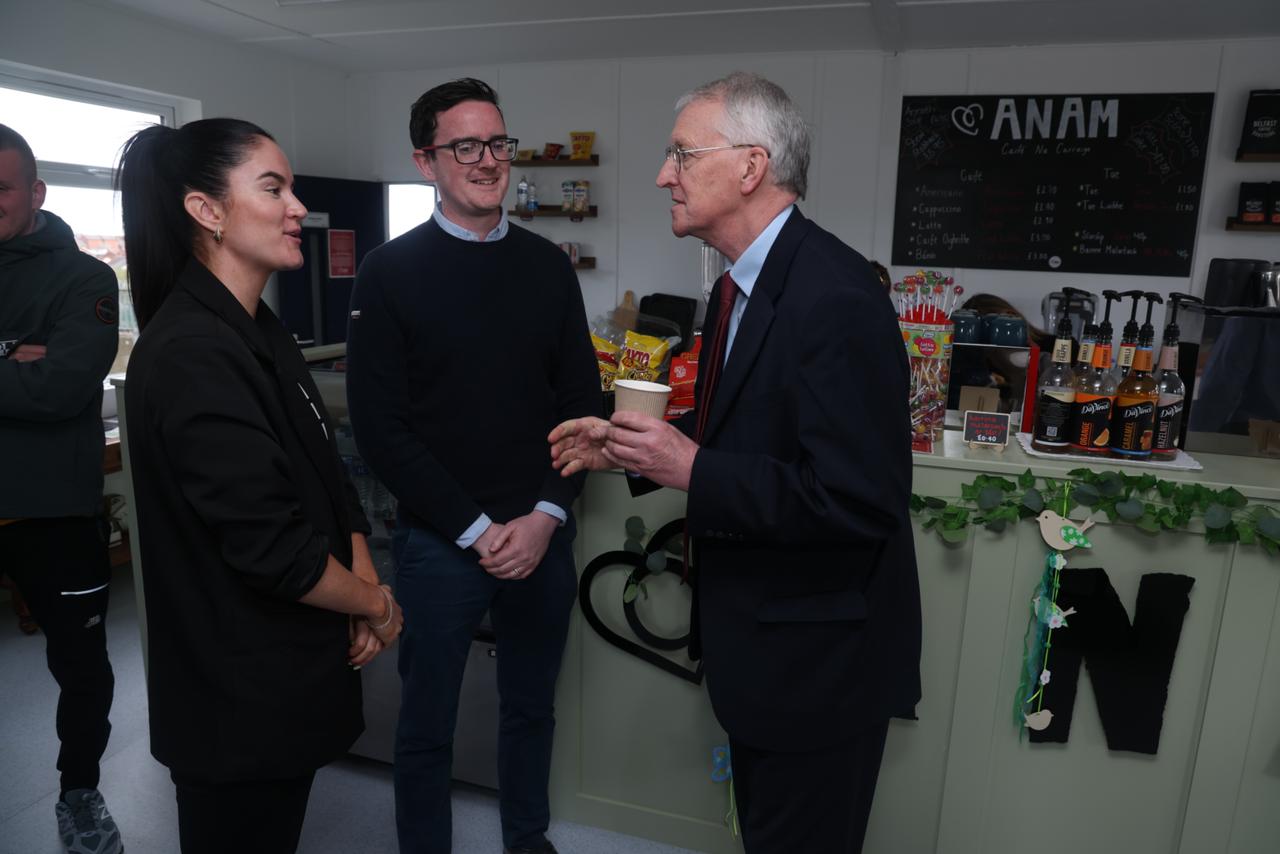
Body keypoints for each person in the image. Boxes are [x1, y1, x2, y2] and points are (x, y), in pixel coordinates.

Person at [549, 72, 922, 854]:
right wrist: (629, 446)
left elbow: (861, 503)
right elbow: (749, 432)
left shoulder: (837, 298)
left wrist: (693, 468)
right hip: (766, 654)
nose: (662, 175)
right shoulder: (734, 290)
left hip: (820, 669)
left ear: (750, 168)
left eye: (681, 154)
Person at [118, 118, 403, 854]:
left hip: (284, 680)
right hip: (232, 702)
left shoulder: (260, 330)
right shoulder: (190, 354)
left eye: (292, 187)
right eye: (272, 188)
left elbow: (324, 468)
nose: (296, 205)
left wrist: (360, 559)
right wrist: (376, 604)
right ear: (206, 211)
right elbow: (272, 549)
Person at [345, 78, 601, 854]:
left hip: (541, 534)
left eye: (497, 143)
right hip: (441, 545)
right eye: (465, 146)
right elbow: (381, 432)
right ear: (427, 161)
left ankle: (528, 839)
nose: (487, 161)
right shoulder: (388, 275)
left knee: (531, 708)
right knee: (427, 723)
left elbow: (582, 407)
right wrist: (480, 528)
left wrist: (546, 516)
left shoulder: (549, 268)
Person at [0, 122, 123, 854]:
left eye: (1, 188)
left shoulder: (84, 278)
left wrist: (28, 368)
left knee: (81, 669)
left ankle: (79, 790)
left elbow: (61, 387)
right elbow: (29, 378)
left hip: (55, 513)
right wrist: (14, 355)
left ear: (35, 192)